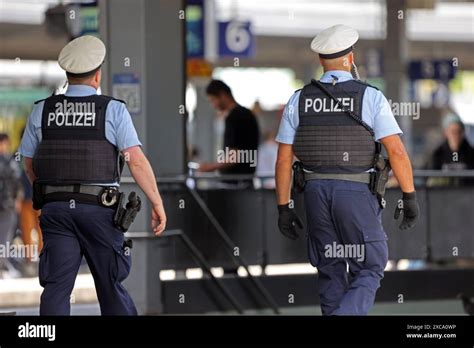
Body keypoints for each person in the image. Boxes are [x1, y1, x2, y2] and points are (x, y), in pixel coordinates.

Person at [275, 25, 419, 315]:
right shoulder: (371, 97)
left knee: (329, 268)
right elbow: (397, 151)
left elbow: (283, 160)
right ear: (350, 58)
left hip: (314, 193)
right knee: (371, 264)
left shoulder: (298, 99)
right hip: (355, 193)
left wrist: (283, 208)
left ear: (321, 61)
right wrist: (409, 196)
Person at [19, 35, 167, 315]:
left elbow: (28, 164)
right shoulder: (113, 110)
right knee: (110, 285)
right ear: (97, 76)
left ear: (67, 75)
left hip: (56, 211)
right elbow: (135, 160)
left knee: (56, 288)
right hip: (99, 211)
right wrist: (157, 203)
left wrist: (50, 195)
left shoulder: (42, 110)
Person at [199, 80, 260, 176]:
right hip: (247, 178)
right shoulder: (247, 114)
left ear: (222, 95)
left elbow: (233, 158)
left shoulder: (234, 117)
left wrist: (209, 167)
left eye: (213, 100)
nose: (214, 105)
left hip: (235, 182)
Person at [427, 112, 474, 185]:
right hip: (444, 194)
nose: (456, 135)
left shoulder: (471, 152)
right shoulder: (438, 154)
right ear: (446, 132)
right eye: (453, 132)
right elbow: (431, 180)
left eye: (459, 131)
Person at [0, 133, 22, 278]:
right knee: (4, 238)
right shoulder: (9, 161)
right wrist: (17, 200)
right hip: (7, 205)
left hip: (6, 205)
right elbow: (16, 182)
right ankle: (2, 268)